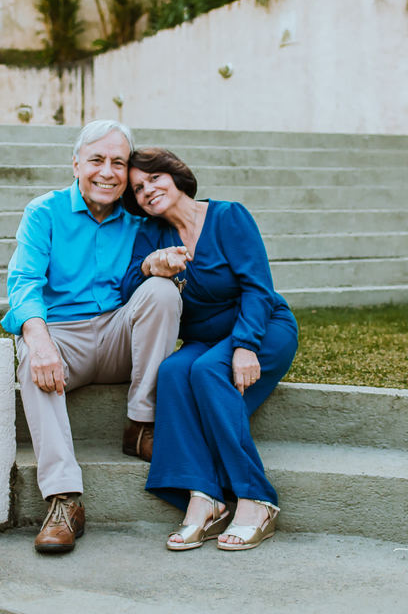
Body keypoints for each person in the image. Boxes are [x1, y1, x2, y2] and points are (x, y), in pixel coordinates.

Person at [2, 121, 182, 554]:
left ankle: (141, 424)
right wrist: (39, 340)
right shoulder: (44, 212)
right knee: (32, 356)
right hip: (63, 338)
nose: (107, 172)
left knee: (161, 291)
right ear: (76, 164)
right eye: (97, 160)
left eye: (118, 162)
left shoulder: (140, 219)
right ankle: (64, 501)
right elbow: (23, 282)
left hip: (118, 333)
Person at [120, 147, 298, 552]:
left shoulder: (228, 216)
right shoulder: (151, 234)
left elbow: (258, 286)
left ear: (175, 175)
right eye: (138, 188)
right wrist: (151, 266)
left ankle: (257, 499)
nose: (148, 191)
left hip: (262, 327)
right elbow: (128, 288)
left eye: (154, 178)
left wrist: (245, 345)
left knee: (206, 372)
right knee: (172, 372)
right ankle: (205, 499)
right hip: (204, 340)